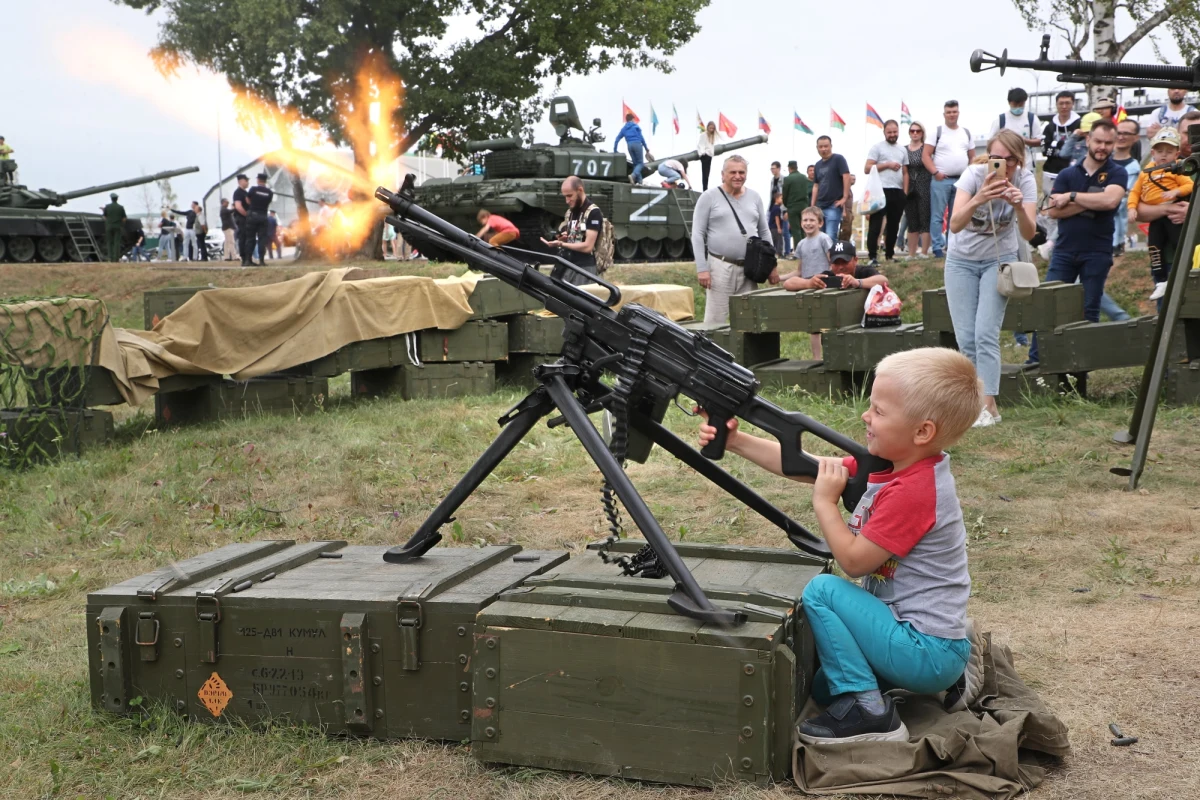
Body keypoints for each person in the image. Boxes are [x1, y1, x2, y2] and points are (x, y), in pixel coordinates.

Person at [697, 347, 980, 744]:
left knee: (823, 590)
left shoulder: (915, 491)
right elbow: (808, 466)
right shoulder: (900, 462)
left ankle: (871, 711)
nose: (866, 416)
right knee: (825, 689)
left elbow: (853, 561)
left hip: (922, 647)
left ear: (922, 431)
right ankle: (947, 670)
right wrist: (737, 440)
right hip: (913, 636)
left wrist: (825, 503)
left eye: (879, 411)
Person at [944, 129, 1038, 427]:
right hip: (961, 261)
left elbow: (1029, 232)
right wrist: (979, 198)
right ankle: (983, 406)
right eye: (998, 158)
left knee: (985, 332)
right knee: (965, 337)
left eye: (1011, 159)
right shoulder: (972, 175)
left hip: (998, 261)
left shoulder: (1024, 180)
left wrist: (1019, 206)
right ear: (989, 155)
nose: (1004, 166)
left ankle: (985, 405)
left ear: (1019, 159)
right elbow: (956, 224)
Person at [1028, 119, 1127, 365]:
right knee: (1047, 306)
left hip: (1098, 250)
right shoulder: (1067, 173)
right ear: (1088, 140)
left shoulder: (1117, 172)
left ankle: (1082, 369)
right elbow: (1051, 211)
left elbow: (1109, 202)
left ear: (1114, 144)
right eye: (1098, 141)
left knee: (1089, 310)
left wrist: (1072, 197)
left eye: (1108, 142)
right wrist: (1093, 200)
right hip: (1064, 250)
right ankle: (1035, 363)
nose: (1102, 146)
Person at [691, 155, 774, 324]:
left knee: (750, 321)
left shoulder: (755, 197)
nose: (738, 176)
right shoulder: (708, 197)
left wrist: (771, 265)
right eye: (733, 172)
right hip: (720, 267)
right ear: (723, 174)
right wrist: (702, 268)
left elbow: (765, 232)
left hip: (750, 268)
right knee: (715, 322)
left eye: (741, 172)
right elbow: (698, 234)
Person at [1129, 127, 1193, 302]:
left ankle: (1187, 270)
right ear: (1153, 153)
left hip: (1173, 215)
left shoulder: (1178, 169)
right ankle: (1161, 281)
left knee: (1178, 243)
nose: (1164, 155)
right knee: (1154, 247)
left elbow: (1189, 185)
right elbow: (1135, 193)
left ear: (1176, 153)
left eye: (1169, 151)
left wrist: (1176, 192)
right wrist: (1132, 208)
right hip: (1159, 217)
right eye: (1160, 151)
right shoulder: (1146, 173)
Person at [923, 100, 975, 258]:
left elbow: (972, 156)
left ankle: (953, 246)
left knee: (957, 214)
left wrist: (970, 173)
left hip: (961, 180)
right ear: (944, 114)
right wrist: (935, 172)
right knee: (938, 215)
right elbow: (925, 155)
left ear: (958, 113)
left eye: (954, 112)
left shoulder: (966, 132)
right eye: (949, 112)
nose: (952, 115)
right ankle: (937, 247)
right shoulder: (937, 132)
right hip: (941, 180)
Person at [540, 176, 604, 285]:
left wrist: (561, 244)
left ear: (580, 190)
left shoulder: (593, 212)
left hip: (583, 269)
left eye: (570, 196)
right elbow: (576, 237)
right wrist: (566, 238)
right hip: (567, 265)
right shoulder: (571, 212)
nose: (567, 201)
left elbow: (587, 247)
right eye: (565, 196)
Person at [864, 120, 908, 264]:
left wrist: (905, 192)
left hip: (897, 191)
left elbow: (905, 172)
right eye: (889, 132)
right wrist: (887, 165)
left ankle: (889, 254)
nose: (892, 135)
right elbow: (867, 168)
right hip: (880, 190)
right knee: (876, 225)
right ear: (884, 132)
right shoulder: (877, 148)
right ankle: (872, 256)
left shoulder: (902, 149)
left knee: (894, 225)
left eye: (895, 132)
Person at [988, 88, 1043, 173]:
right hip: (1005, 166)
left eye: (1020, 104)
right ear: (1009, 103)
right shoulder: (1001, 120)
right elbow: (990, 141)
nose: (1018, 107)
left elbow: (1040, 141)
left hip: (1026, 165)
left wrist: (1024, 141)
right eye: (1015, 104)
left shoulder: (1031, 118)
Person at [1112, 118, 1143, 256]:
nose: (1121, 136)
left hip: (1113, 237)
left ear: (1135, 138)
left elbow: (1120, 201)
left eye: (1126, 133)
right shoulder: (1101, 162)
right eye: (1118, 132)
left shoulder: (1134, 169)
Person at [811, 136, 851, 239]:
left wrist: (844, 198)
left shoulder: (838, 159)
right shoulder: (818, 165)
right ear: (817, 148)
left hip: (834, 205)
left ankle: (831, 255)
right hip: (819, 206)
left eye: (826, 146)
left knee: (830, 235)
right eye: (821, 147)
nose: (823, 149)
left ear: (831, 146)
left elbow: (846, 177)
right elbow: (816, 186)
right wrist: (812, 206)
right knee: (819, 236)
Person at [904, 121, 933, 258]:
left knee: (924, 219)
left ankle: (924, 252)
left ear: (922, 133)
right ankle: (911, 253)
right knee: (911, 220)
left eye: (918, 131)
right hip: (909, 188)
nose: (915, 133)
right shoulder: (904, 149)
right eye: (912, 131)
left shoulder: (926, 149)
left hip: (924, 185)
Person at [782, 160, 814, 252]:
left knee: (795, 229)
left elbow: (785, 194)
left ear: (789, 168)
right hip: (804, 205)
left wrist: (787, 204)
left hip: (792, 206)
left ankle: (799, 251)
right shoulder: (804, 178)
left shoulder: (788, 179)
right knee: (804, 228)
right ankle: (807, 249)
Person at [245, 172, 274, 267]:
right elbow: (268, 202)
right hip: (263, 216)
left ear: (258, 180)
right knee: (262, 239)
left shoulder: (253, 189)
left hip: (253, 215)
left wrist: (253, 205)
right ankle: (261, 260)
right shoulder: (269, 192)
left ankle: (248, 260)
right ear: (265, 181)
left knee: (250, 238)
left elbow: (247, 200)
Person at [613, 114, 652, 183]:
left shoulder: (624, 129)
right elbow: (642, 138)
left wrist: (615, 150)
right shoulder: (635, 126)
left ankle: (640, 182)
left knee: (635, 164)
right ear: (632, 119)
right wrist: (646, 148)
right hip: (637, 144)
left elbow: (617, 139)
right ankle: (633, 175)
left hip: (629, 145)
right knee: (640, 164)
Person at [769, 162, 791, 256]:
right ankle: (776, 251)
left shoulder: (784, 179)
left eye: (774, 168)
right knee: (774, 231)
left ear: (779, 168)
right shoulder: (772, 180)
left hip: (783, 207)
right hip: (774, 206)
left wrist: (787, 209)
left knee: (785, 231)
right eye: (771, 169)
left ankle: (787, 251)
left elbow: (787, 194)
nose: (772, 170)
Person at [101, 193, 126, 263]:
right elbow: (124, 218)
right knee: (117, 243)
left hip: (109, 226)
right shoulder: (120, 207)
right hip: (118, 226)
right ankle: (116, 258)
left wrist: (109, 221)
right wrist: (121, 223)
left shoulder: (107, 207)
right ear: (117, 199)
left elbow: (104, 217)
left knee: (110, 242)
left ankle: (110, 258)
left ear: (111, 199)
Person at [232, 173, 251, 264]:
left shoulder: (245, 192)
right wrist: (247, 214)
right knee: (243, 238)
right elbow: (238, 206)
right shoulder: (238, 193)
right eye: (246, 180)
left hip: (246, 219)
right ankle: (244, 258)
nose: (247, 182)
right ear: (240, 181)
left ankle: (248, 258)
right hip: (242, 219)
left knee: (248, 238)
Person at [697, 121, 721, 191]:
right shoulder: (704, 135)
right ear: (707, 127)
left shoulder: (712, 136)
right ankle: (704, 189)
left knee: (707, 173)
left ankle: (706, 188)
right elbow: (700, 144)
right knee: (705, 173)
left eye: (713, 128)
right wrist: (702, 153)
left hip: (709, 155)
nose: (711, 129)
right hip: (705, 155)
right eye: (710, 128)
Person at [769, 193, 786, 257]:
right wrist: (779, 227)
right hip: (775, 228)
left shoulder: (774, 207)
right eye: (781, 198)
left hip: (773, 227)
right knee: (779, 241)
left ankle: (775, 253)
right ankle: (779, 253)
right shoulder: (777, 208)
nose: (782, 200)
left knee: (774, 240)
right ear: (776, 199)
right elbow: (777, 218)